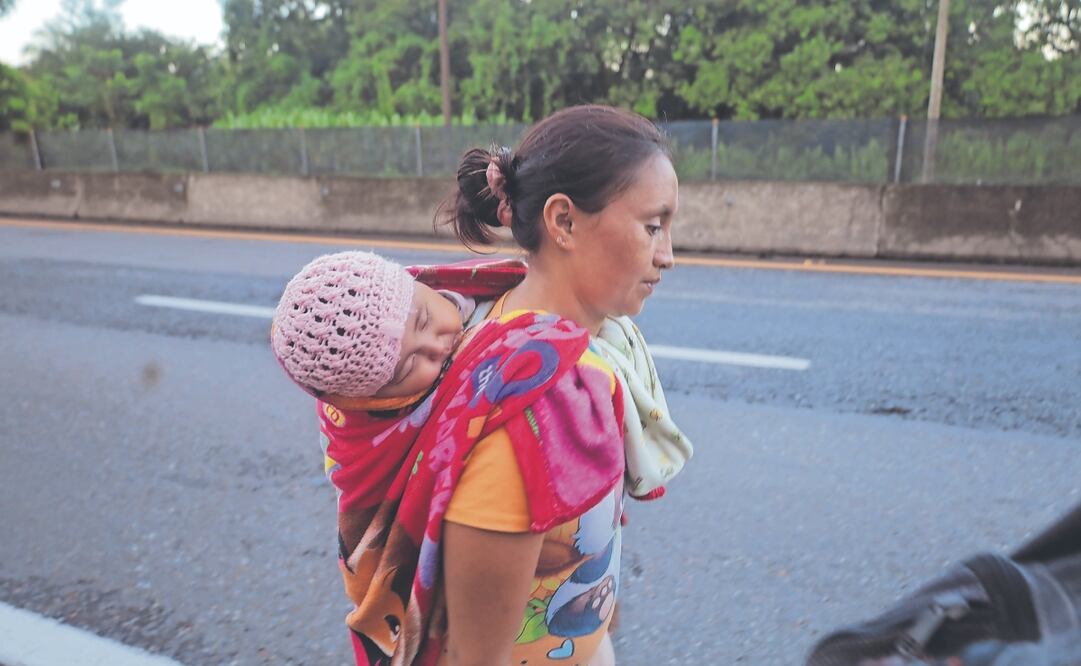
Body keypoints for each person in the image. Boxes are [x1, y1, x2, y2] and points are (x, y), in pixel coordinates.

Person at [274, 104, 691, 666]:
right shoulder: (531, 411)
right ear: (563, 222)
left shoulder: (538, 334)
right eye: (652, 226)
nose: (667, 255)